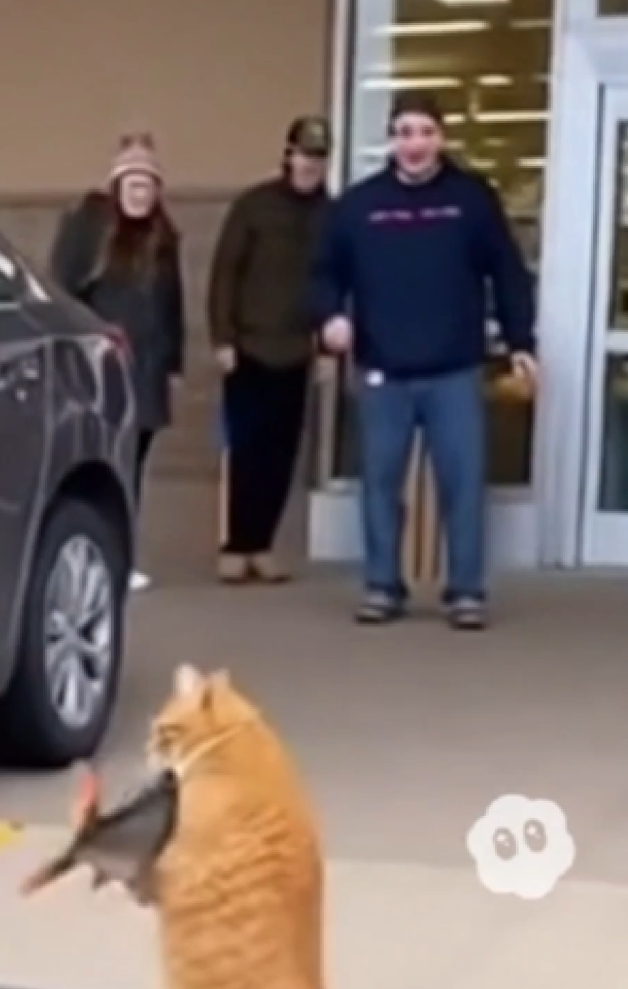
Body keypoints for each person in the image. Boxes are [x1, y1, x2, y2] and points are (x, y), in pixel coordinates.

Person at [311, 91, 536, 630]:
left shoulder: (471, 199)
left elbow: (506, 272)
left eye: (426, 132)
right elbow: (323, 273)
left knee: (462, 483)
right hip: (382, 368)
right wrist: (328, 319)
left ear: (442, 138)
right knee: (380, 484)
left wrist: (520, 341)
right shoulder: (360, 205)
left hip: (454, 368)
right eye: (405, 132)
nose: (415, 144)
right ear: (393, 139)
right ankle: (382, 586)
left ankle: (465, 591)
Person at [49, 132, 185, 591]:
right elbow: (63, 292)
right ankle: (104, 558)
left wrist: (174, 363)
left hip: (146, 368)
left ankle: (123, 559)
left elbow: (172, 302)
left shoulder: (163, 238)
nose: (140, 194)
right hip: (103, 368)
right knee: (105, 464)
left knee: (134, 465)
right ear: (117, 186)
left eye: (148, 186)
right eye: (133, 185)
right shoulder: (89, 232)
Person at [206, 115, 333, 585]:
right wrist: (222, 337)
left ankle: (262, 545)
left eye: (319, 157)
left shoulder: (332, 215)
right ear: (288, 155)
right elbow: (225, 274)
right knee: (246, 450)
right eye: (304, 155)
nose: (310, 165)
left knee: (282, 454)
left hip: (300, 350)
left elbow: (336, 285)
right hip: (249, 348)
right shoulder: (254, 207)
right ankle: (235, 545)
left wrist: (326, 351)